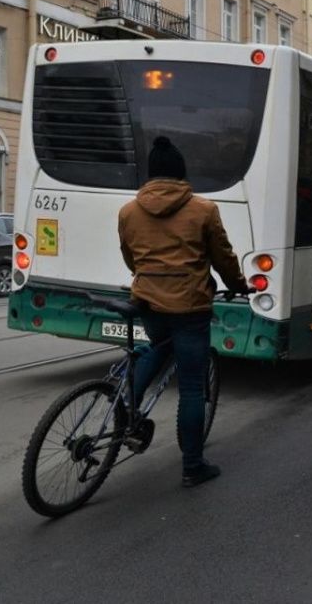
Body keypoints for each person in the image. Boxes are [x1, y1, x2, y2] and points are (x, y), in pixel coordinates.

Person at [117, 136, 249, 488]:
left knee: (158, 347)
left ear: (151, 174)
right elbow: (223, 257)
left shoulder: (129, 211)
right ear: (181, 173)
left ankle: (127, 404)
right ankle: (193, 466)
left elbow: (130, 257)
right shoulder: (203, 210)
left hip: (148, 301)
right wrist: (238, 284)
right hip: (190, 307)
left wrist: (149, 276)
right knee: (192, 388)